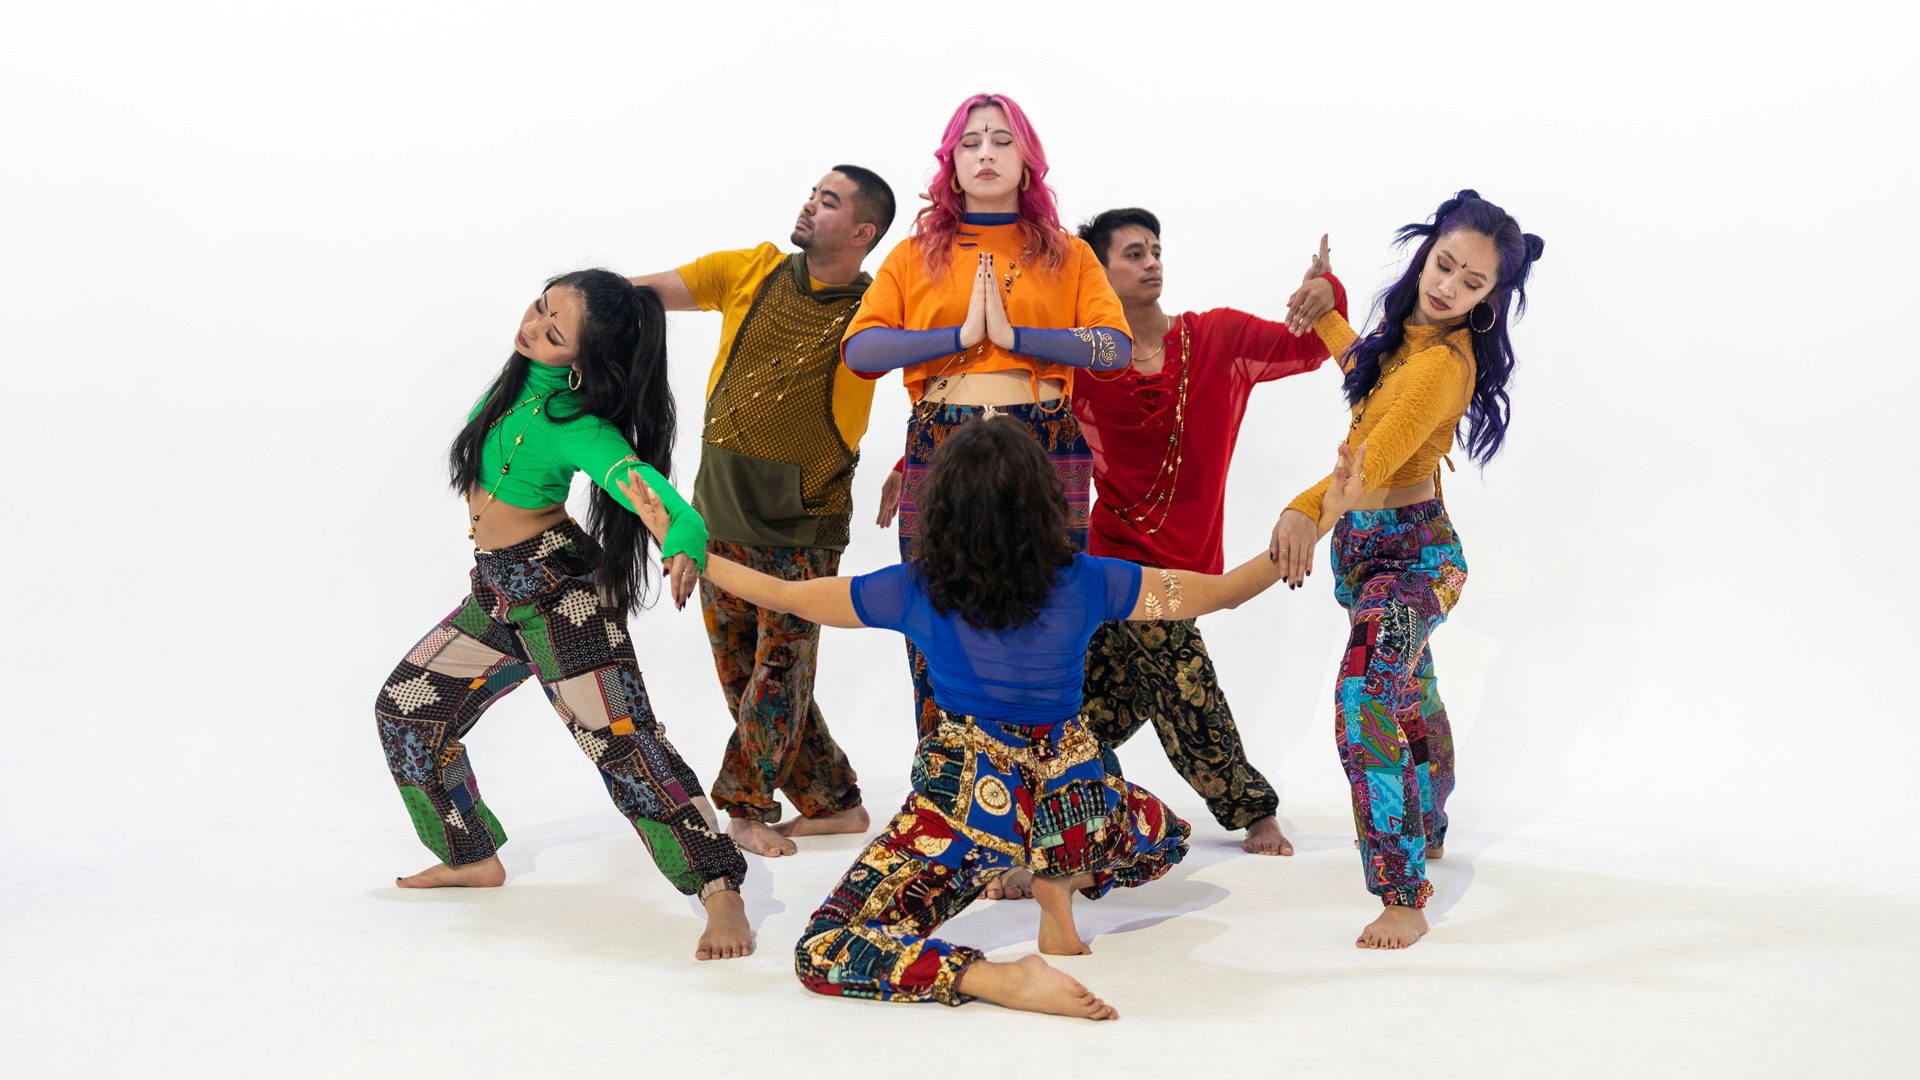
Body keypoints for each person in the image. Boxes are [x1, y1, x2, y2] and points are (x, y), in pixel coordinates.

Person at [619, 418, 1368, 1018]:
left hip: (966, 807)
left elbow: (781, 595)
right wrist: (1326, 509)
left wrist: (687, 545)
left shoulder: (909, 589)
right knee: (1162, 838)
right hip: (1075, 794)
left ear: (939, 510)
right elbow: (1222, 592)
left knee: (827, 948)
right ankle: (1057, 887)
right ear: (1046, 505)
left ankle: (995, 979)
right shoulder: (1093, 582)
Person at [372, 269, 753, 961]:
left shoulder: (580, 425)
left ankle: (720, 890)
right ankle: (471, 856)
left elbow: (645, 489)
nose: (532, 328)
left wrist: (680, 539)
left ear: (582, 364)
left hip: (561, 598)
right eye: (540, 309)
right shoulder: (512, 382)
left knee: (623, 744)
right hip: (497, 592)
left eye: (554, 333)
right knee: (408, 709)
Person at [1270, 190, 1544, 949]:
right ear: (1425, 252)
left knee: (1366, 694)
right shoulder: (1413, 339)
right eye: (1443, 263)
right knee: (1408, 689)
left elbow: (1380, 454)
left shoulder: (1442, 368)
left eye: (1470, 283)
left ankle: (1402, 892)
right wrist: (1329, 309)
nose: (1447, 285)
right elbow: (1368, 371)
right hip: (1367, 556)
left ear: (1490, 302)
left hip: (1415, 561)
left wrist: (1304, 506)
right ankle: (1431, 818)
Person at [843, 92, 1130, 747]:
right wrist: (962, 335)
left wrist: (1019, 336)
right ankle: (944, 776)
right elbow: (861, 350)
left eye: (1002, 140)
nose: (987, 154)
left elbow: (1112, 348)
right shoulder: (915, 254)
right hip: (942, 439)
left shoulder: (1068, 254)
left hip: (1046, 438)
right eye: (971, 143)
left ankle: (1048, 778)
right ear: (951, 164)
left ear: (1028, 161)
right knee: (935, 604)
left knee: (1051, 605)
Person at [627, 167, 897, 859]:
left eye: (829, 201)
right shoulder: (751, 271)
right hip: (718, 516)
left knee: (779, 672)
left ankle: (744, 806)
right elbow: (641, 295)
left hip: (801, 528)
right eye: (814, 192)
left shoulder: (877, 311)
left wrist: (912, 463)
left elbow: (934, 370)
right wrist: (576, 300)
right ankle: (835, 803)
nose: (810, 204)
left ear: (863, 232)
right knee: (744, 674)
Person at [1068, 206, 1347, 858]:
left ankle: (1056, 804)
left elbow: (1308, 349)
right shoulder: (1080, 362)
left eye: (1155, 249)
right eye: (1132, 253)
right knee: (1177, 668)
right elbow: (1011, 406)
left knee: (1097, 711)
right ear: (1098, 273)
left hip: (1189, 568)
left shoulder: (1216, 338)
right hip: (1109, 563)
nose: (1151, 261)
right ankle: (1252, 810)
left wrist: (1327, 292)